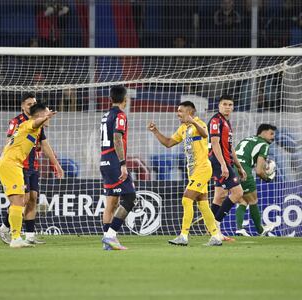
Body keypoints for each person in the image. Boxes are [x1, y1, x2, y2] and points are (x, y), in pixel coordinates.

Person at [148, 101, 222, 246]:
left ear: (189, 112)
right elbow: (169, 143)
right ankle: (216, 236)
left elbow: (205, 133)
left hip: (203, 168)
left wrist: (193, 121)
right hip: (193, 171)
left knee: (186, 199)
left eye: (180, 111)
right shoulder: (182, 128)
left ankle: (183, 236)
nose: (178, 113)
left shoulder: (199, 124)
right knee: (203, 205)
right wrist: (156, 131)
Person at [0, 92, 64, 245]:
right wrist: (45, 117)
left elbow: (43, 141)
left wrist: (56, 164)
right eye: (46, 113)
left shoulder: (36, 129)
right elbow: (34, 123)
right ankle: (13, 236)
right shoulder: (26, 123)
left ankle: (20, 237)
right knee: (20, 201)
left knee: (23, 200)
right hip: (11, 164)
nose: (48, 117)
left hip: (17, 164)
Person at [100, 85, 137, 251]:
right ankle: (110, 236)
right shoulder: (120, 115)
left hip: (104, 160)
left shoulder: (105, 115)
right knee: (130, 197)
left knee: (111, 203)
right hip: (115, 162)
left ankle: (108, 241)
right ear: (125, 99)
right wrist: (123, 164)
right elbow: (117, 138)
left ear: (110, 99)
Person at [208, 95, 247, 241]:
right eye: (225, 104)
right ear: (219, 106)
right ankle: (215, 226)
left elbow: (230, 148)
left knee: (220, 196)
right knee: (238, 193)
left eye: (230, 104)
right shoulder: (215, 120)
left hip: (226, 162)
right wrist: (223, 165)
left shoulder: (226, 123)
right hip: (219, 162)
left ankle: (211, 229)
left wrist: (239, 167)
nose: (228, 107)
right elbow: (215, 143)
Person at [235, 124, 277, 236]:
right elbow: (259, 171)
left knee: (243, 200)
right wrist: (267, 178)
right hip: (243, 170)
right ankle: (261, 230)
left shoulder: (247, 139)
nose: (273, 137)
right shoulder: (264, 144)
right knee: (253, 200)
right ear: (262, 133)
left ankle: (239, 228)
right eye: (271, 133)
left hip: (231, 168)